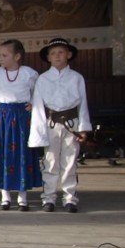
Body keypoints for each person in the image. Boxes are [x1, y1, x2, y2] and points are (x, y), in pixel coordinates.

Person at [29, 37, 91, 213]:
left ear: (69, 54)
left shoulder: (77, 78)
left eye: (61, 52)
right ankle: (48, 198)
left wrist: (83, 128)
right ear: (48, 57)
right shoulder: (43, 79)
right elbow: (39, 108)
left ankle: (70, 198)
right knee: (50, 162)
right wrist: (39, 132)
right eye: (53, 53)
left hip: (72, 123)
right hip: (51, 123)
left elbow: (83, 104)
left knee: (70, 161)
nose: (57, 56)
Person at [0, 39, 42, 211]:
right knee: (4, 154)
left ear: (17, 56)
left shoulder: (29, 74)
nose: (0, 58)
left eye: (5, 55)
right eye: (0, 55)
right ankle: (5, 196)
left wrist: (33, 104)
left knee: (22, 154)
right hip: (3, 118)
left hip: (22, 119)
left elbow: (39, 93)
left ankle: (22, 196)